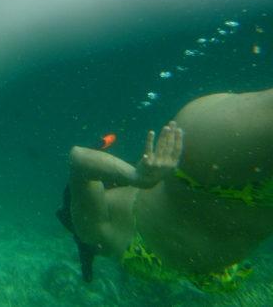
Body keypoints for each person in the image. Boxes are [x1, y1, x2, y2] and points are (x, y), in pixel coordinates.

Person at [60, 88, 273, 292]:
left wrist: (137, 177)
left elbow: (79, 158)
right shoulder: (108, 228)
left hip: (200, 170)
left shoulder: (94, 236)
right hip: (226, 179)